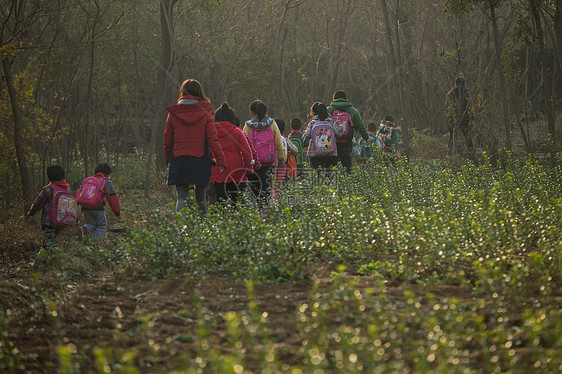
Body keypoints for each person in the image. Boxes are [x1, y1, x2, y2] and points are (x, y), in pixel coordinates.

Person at [164, 79, 226, 215]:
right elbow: (213, 139)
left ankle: (181, 230)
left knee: (181, 197)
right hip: (200, 159)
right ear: (199, 92)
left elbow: (167, 139)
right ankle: (202, 229)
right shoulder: (206, 112)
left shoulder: (174, 112)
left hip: (179, 158)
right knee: (200, 196)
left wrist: (168, 161)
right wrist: (220, 160)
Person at [26, 165, 71, 270]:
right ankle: (37, 267)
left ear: (49, 177)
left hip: (49, 222)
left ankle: (59, 254)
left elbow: (38, 203)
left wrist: (31, 212)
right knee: (45, 244)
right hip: (62, 221)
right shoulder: (67, 189)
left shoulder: (48, 189)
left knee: (48, 242)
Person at [242, 100, 285, 206]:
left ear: (252, 112)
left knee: (254, 187)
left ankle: (256, 210)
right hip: (268, 161)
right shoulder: (272, 123)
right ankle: (264, 208)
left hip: (254, 162)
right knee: (265, 186)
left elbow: (244, 143)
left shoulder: (248, 125)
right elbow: (278, 142)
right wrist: (281, 158)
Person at [210, 103, 254, 205]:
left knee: (221, 200)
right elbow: (247, 152)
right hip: (236, 170)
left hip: (218, 169)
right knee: (237, 200)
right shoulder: (236, 132)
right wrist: (248, 169)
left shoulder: (211, 132)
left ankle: (222, 219)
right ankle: (236, 218)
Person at [327, 90, 370, 172]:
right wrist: (366, 137)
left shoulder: (329, 110)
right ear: (346, 99)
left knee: (332, 165)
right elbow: (360, 126)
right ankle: (347, 182)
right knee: (346, 165)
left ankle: (332, 183)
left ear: (333, 99)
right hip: (346, 143)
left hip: (332, 143)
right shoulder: (353, 110)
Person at [78, 163, 121, 239]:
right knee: (102, 225)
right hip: (98, 207)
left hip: (85, 207)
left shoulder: (87, 180)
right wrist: (116, 212)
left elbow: (79, 194)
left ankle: (84, 229)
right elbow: (112, 197)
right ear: (107, 173)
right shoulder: (106, 181)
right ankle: (95, 244)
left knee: (91, 224)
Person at [303, 102, 338, 172]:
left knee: (316, 174)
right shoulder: (330, 121)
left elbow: (306, 136)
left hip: (315, 153)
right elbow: (338, 133)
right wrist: (340, 126)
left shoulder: (312, 123)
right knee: (330, 174)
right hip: (330, 153)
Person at [446, 74, 474, 156]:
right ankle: (471, 155)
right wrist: (472, 119)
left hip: (453, 119)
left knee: (452, 137)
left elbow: (447, 107)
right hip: (465, 120)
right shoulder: (466, 94)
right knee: (468, 138)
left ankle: (449, 155)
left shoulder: (450, 94)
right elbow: (470, 107)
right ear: (464, 84)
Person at [273, 118, 298, 185]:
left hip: (272, 165)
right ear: (283, 129)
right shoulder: (285, 140)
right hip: (285, 168)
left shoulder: (270, 139)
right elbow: (295, 151)